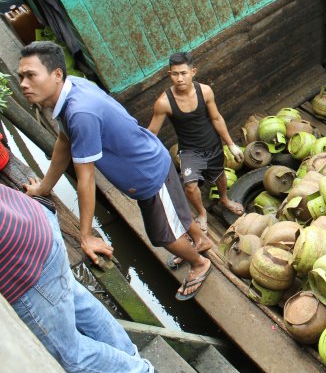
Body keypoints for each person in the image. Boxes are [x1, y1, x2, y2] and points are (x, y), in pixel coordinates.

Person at [18, 41, 212, 301]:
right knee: (174, 212)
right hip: (151, 158)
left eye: (31, 75)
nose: (23, 84)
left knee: (163, 234)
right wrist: (44, 187)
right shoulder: (72, 89)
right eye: (21, 77)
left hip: (148, 175)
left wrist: (85, 236)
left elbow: (86, 179)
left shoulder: (80, 112)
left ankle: (199, 263)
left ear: (56, 75)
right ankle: (201, 241)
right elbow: (64, 142)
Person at [0, 184, 153, 372]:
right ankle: (131, 358)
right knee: (77, 299)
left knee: (71, 357)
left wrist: (86, 235)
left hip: (18, 266)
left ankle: (139, 370)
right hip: (33, 220)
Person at [147, 51, 244, 236]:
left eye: (183, 73)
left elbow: (216, 118)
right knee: (190, 187)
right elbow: (151, 133)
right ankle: (202, 212)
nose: (179, 78)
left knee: (220, 177)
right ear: (170, 75)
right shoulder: (164, 102)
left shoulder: (205, 91)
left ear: (193, 72)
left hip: (213, 145)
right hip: (190, 152)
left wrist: (230, 143)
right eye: (175, 74)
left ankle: (224, 199)